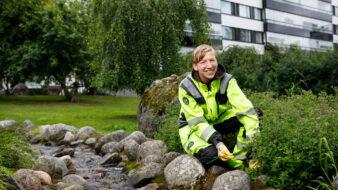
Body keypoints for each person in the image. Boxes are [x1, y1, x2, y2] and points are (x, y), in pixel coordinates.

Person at [178, 44, 259, 169]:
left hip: (217, 121)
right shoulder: (186, 87)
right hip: (193, 129)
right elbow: (197, 123)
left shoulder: (228, 80)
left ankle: (240, 157)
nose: (209, 66)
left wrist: (253, 147)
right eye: (203, 62)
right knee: (212, 155)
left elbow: (246, 110)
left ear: (217, 61)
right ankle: (232, 163)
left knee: (254, 113)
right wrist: (218, 143)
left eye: (212, 60)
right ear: (195, 66)